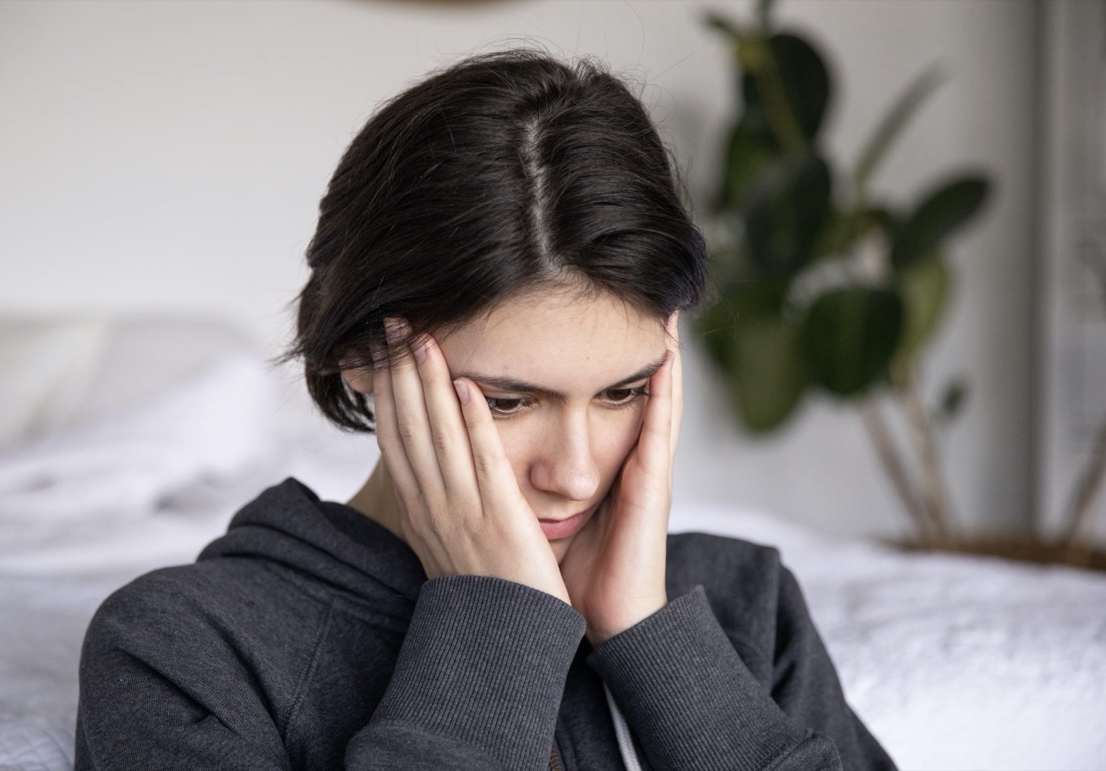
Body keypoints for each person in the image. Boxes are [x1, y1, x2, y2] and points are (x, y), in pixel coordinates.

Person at [75, 51, 895, 770]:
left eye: (623, 391)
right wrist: (495, 624)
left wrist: (657, 642)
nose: (575, 472)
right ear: (361, 352)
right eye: (508, 400)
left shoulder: (747, 605)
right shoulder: (182, 649)